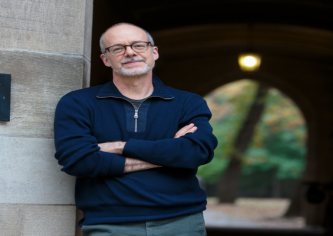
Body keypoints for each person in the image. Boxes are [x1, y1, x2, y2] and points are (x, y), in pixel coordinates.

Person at [54, 23, 217, 236]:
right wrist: (169, 154)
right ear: (105, 59)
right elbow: (78, 160)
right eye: (118, 48)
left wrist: (120, 146)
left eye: (138, 45)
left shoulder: (188, 103)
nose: (130, 52)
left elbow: (197, 152)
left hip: (180, 222)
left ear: (154, 52)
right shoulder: (77, 103)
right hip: (109, 225)